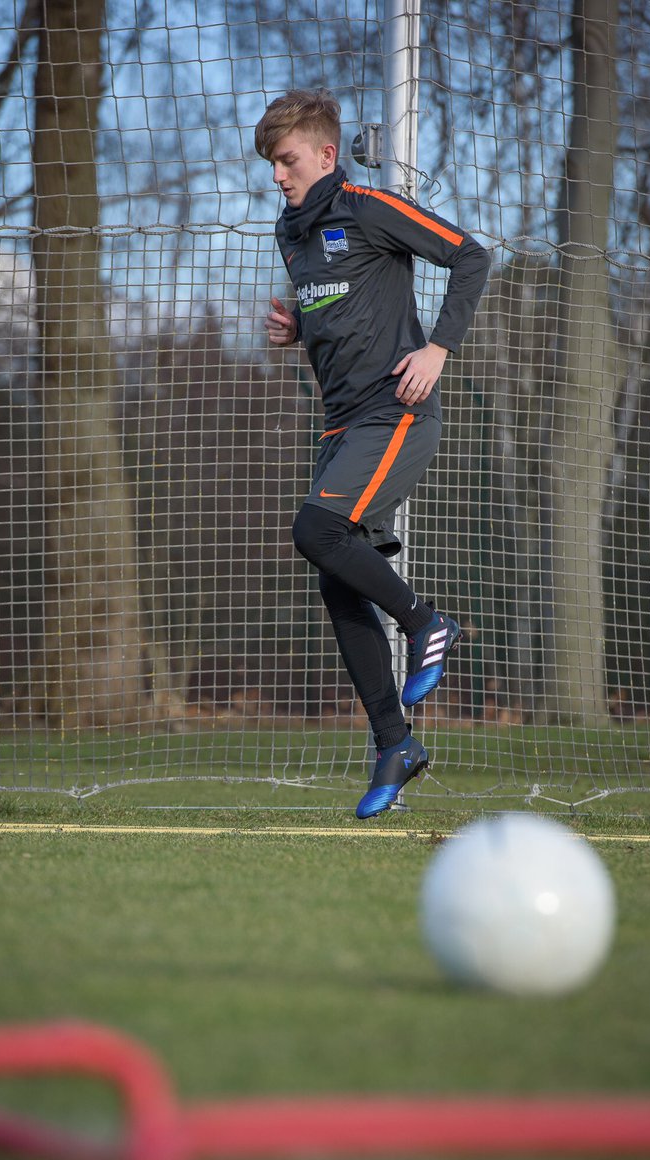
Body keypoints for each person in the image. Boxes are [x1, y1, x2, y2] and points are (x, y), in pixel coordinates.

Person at [255, 88, 490, 819]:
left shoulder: (366, 206)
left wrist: (438, 349)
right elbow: (341, 302)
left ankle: (426, 622)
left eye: (286, 159)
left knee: (315, 532)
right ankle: (395, 742)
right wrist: (298, 327)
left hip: (397, 412)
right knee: (335, 575)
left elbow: (470, 257)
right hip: (339, 426)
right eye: (269, 163)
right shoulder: (288, 234)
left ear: (326, 155)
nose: (276, 175)